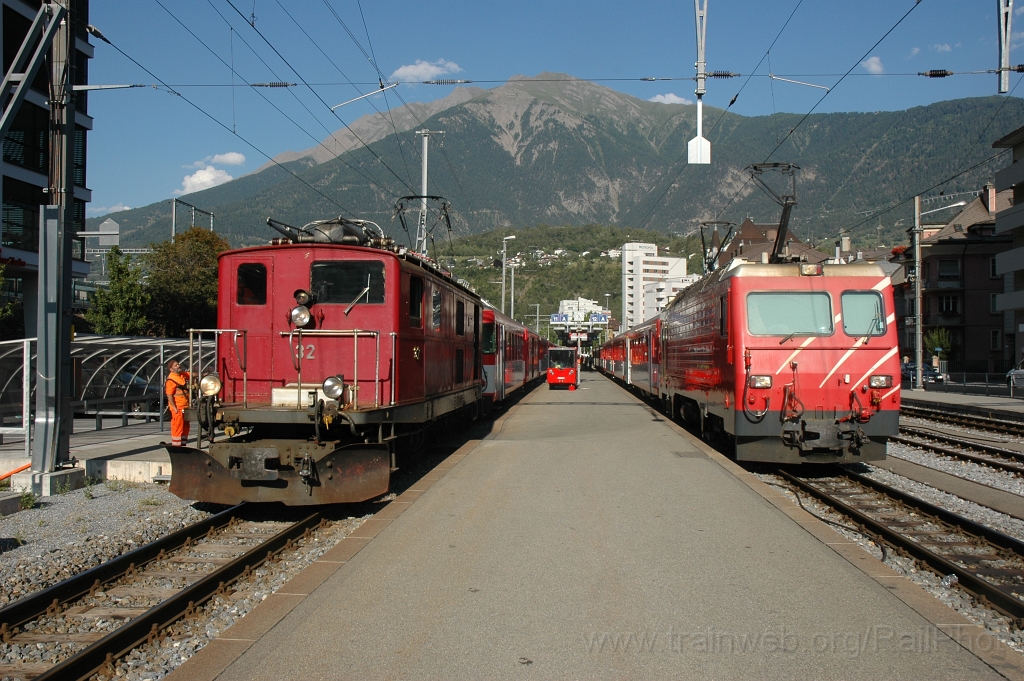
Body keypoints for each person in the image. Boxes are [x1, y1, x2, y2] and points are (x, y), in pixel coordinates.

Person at [166, 359, 191, 447]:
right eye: (176, 365)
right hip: (178, 408)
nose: (178, 366)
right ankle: (176, 446)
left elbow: (191, 374)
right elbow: (169, 395)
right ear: (171, 369)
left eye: (178, 364)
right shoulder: (171, 380)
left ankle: (183, 444)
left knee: (186, 426)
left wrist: (203, 375)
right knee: (177, 427)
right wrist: (174, 407)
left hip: (185, 407)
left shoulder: (182, 375)